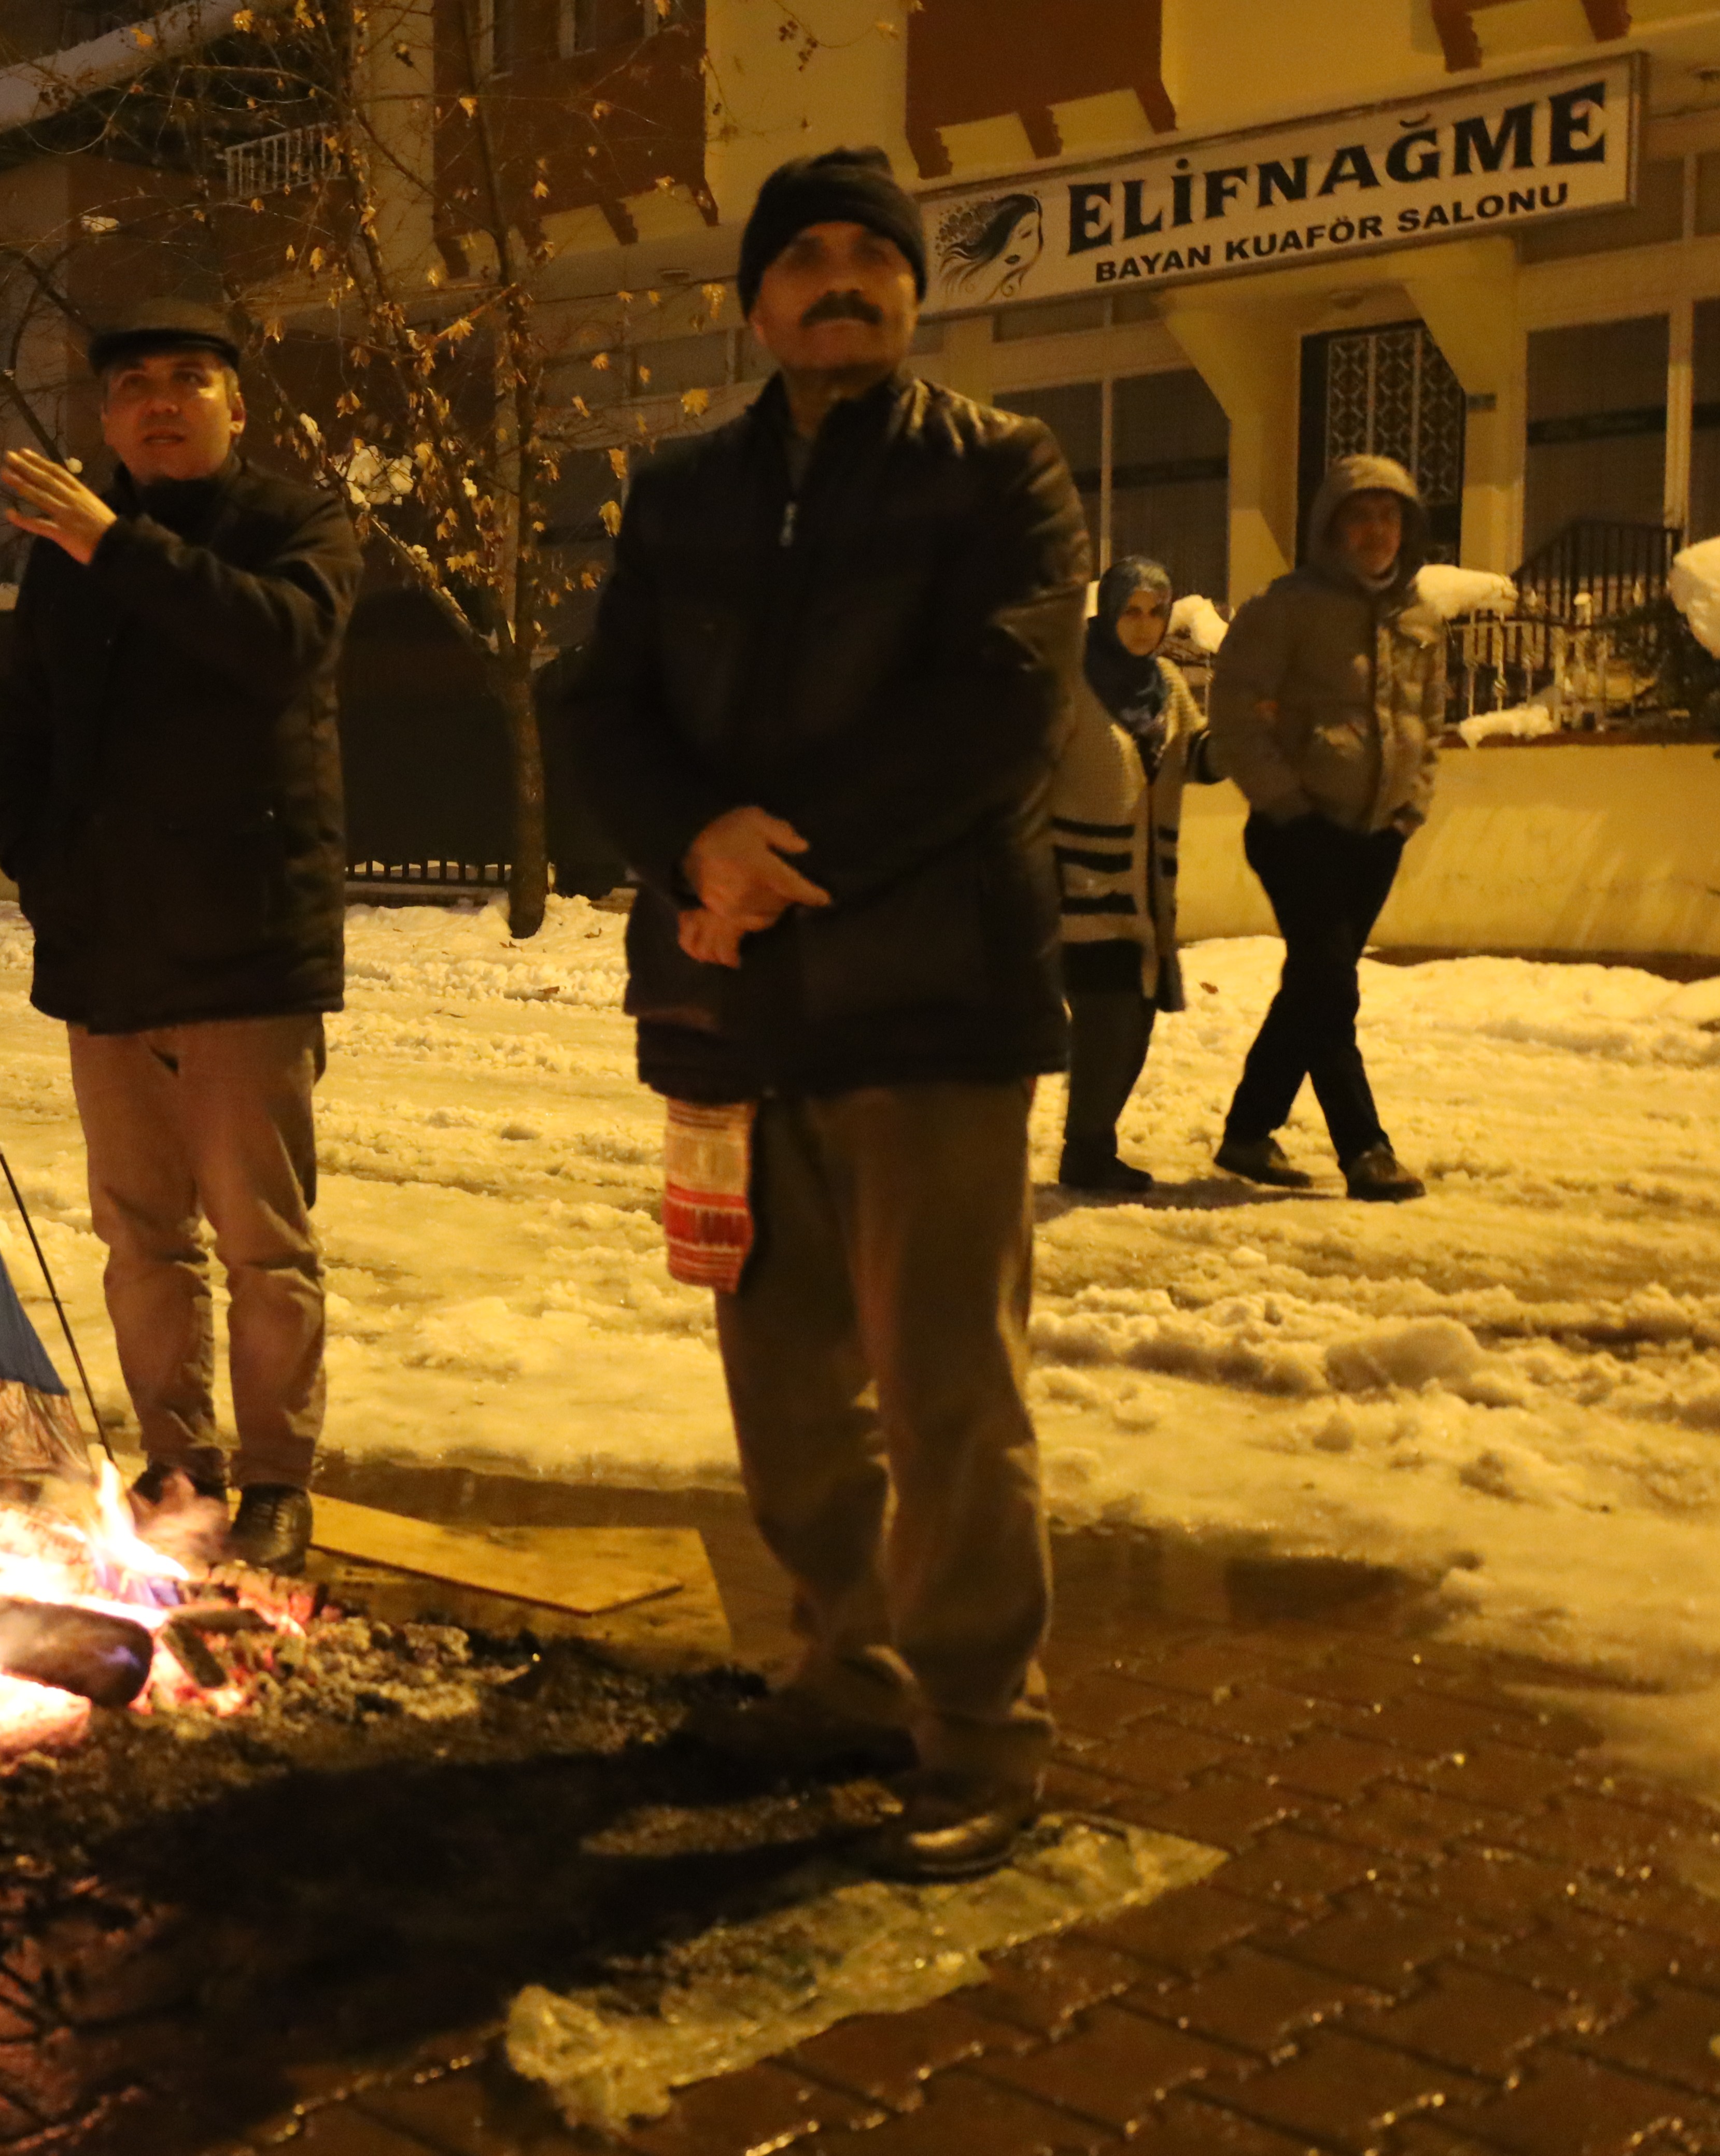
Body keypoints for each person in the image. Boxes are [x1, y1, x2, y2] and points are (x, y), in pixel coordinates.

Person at [568, 146, 1090, 1881]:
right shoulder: (684, 491)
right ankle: (843, 1670)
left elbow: (1000, 704)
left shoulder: (1002, 471)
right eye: (811, 258)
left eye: (878, 254)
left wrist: (789, 857)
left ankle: (981, 1735)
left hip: (930, 993)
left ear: (916, 292)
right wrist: (695, 844)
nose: (844, 280)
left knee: (946, 1388)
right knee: (783, 1374)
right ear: (757, 299)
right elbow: (604, 708)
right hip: (733, 998)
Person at [0, 299, 365, 1575]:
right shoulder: (65, 558)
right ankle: (175, 1463)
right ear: (106, 417)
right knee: (138, 1236)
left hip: (245, 947)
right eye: (134, 383)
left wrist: (114, 541)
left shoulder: (294, 526)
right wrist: (39, 865)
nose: (159, 400)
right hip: (106, 950)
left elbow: (279, 644)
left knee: (263, 1240)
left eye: (189, 379)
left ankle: (276, 1480)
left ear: (236, 405)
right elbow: (27, 725)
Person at [1204, 454, 1441, 1203]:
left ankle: (1248, 1131)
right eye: (1360, 517)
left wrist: (1411, 808)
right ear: (1332, 527)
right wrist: (1286, 806)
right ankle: (1365, 1149)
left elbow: (1428, 722)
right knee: (1331, 988)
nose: (1377, 532)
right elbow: (1236, 716)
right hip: (1297, 830)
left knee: (1313, 986)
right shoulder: (1287, 608)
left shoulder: (1420, 617)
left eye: (1389, 516)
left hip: (1378, 835)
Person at [1051, 558, 1222, 1194]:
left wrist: (1237, 744)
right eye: (1132, 611)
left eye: (1156, 611)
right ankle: (1085, 1149)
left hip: (1147, 890)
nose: (1145, 625)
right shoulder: (1070, 681)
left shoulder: (1168, 683)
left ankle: (1094, 1145)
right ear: (1108, 612)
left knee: (1135, 1020)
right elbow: (1033, 774)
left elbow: (1195, 755)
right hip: (1082, 885)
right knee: (1107, 1021)